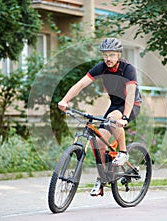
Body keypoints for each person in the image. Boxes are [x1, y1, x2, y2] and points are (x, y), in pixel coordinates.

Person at [58, 38, 141, 196]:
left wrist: (124, 117)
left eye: (111, 55)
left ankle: (123, 153)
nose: (107, 59)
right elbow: (81, 84)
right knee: (98, 141)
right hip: (115, 104)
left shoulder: (128, 69)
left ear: (118, 54)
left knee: (113, 117)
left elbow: (130, 95)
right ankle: (102, 179)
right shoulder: (101, 68)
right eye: (105, 55)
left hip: (132, 106)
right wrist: (65, 100)